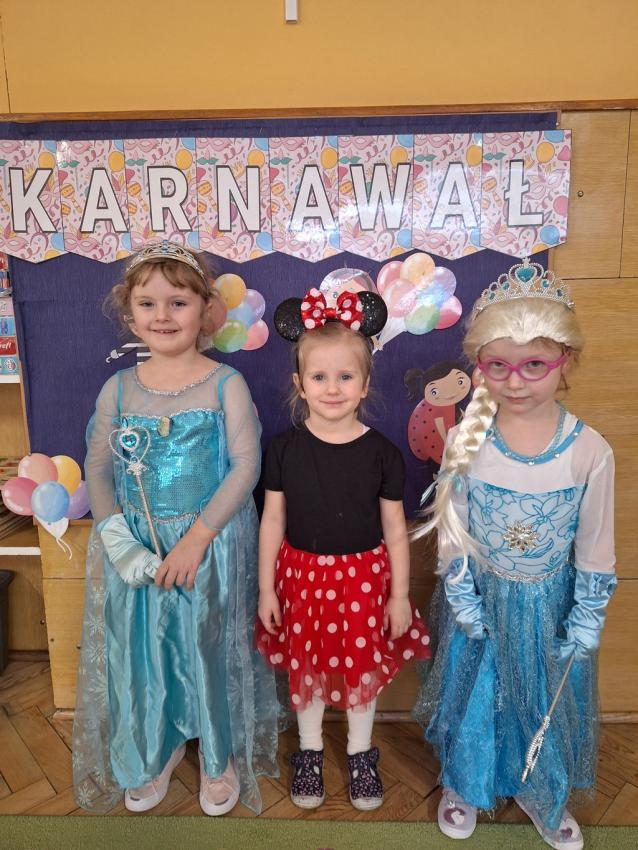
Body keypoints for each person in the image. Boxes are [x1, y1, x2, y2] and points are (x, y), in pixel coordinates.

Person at [414, 259, 617, 850]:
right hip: (481, 599)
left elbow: (595, 544)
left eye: (534, 365)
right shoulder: (467, 439)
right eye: (497, 366)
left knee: (542, 695)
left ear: (564, 362)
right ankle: (465, 780)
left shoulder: (589, 451)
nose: (516, 381)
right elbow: (453, 527)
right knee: (475, 694)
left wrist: (586, 617)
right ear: (480, 366)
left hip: (550, 606)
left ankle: (540, 785)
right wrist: (461, 594)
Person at [72, 241, 278, 816]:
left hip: (205, 546)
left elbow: (246, 466)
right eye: (148, 303)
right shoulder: (118, 388)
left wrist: (197, 539)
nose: (162, 315)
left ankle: (217, 754)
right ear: (129, 313)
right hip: (136, 546)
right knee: (142, 653)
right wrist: (119, 540)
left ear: (205, 310)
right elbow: (98, 467)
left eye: (178, 303)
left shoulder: (225, 383)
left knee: (206, 648)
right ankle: (151, 749)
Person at [256, 286, 431, 811]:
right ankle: (309, 751)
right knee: (306, 668)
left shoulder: (382, 453)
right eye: (319, 377)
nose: (332, 388)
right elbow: (273, 520)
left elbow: (395, 530)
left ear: (365, 383)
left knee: (361, 670)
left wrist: (398, 596)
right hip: (301, 579)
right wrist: (266, 589)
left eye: (345, 377)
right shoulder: (284, 449)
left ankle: (359, 753)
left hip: (363, 581)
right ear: (299, 383)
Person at [404, 362, 471, 464]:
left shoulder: (456, 408)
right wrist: (447, 446)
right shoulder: (438, 412)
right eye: (435, 392)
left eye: (460, 382)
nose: (450, 393)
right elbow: (442, 434)